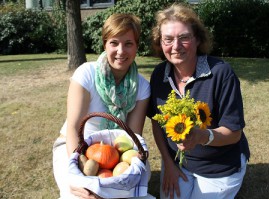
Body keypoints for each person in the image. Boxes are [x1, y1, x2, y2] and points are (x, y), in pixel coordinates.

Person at [147, 3, 250, 199]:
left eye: (184, 38)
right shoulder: (159, 75)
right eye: (167, 39)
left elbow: (234, 133)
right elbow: (156, 122)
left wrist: (201, 136)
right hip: (179, 163)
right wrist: (168, 164)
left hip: (219, 168)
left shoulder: (221, 73)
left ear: (197, 40)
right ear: (160, 43)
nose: (175, 46)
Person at [52, 13, 152, 199]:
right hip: (73, 148)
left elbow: (131, 137)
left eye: (128, 43)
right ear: (105, 44)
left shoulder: (142, 87)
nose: (121, 51)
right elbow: (74, 128)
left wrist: (127, 169)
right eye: (114, 43)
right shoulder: (86, 74)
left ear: (137, 46)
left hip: (116, 150)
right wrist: (79, 170)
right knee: (81, 194)